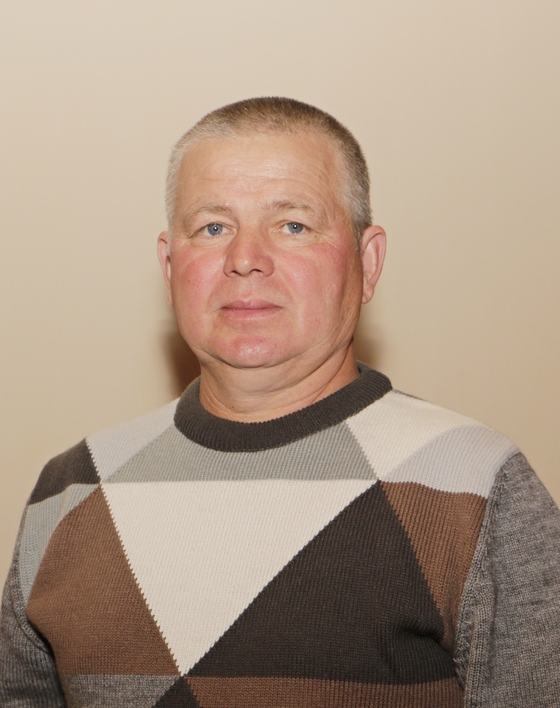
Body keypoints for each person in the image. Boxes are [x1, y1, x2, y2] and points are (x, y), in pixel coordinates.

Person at [1, 97, 559, 708]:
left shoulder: (477, 483)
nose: (244, 259)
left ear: (368, 262)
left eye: (293, 225)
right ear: (169, 265)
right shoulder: (72, 487)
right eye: (213, 228)